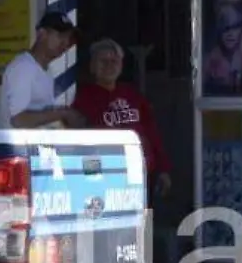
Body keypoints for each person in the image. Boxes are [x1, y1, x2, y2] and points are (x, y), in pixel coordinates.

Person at [74, 38, 173, 200]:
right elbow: (79, 141)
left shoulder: (133, 95)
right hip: (105, 178)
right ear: (92, 66)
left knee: (144, 223)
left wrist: (163, 169)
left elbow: (152, 133)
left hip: (140, 175)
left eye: (114, 61)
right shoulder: (82, 98)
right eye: (103, 61)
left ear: (121, 66)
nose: (109, 65)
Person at [1, 11, 85, 129]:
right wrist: (62, 113)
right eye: (61, 36)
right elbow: (18, 120)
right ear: (41, 34)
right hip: (21, 146)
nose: (66, 43)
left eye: (68, 39)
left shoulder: (45, 70)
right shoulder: (23, 67)